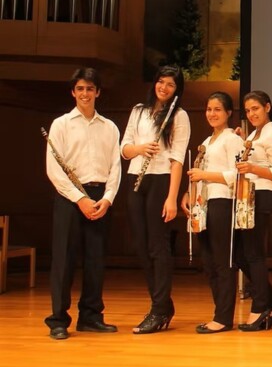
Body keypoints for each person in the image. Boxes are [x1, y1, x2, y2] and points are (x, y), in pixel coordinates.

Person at [44, 68, 121, 340]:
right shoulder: (61, 124)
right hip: (70, 197)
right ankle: (58, 320)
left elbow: (115, 167)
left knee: (95, 259)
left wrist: (107, 198)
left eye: (90, 89)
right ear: (73, 92)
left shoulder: (110, 127)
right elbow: (53, 169)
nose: (85, 94)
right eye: (80, 89)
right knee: (64, 259)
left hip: (100, 197)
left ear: (98, 92)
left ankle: (90, 317)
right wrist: (80, 199)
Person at [121, 65, 190, 334]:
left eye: (170, 84)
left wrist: (172, 197)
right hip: (136, 178)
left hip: (161, 179)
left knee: (157, 246)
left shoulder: (179, 116)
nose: (164, 87)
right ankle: (162, 305)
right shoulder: (138, 110)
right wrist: (140, 148)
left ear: (177, 90)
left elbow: (177, 159)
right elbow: (124, 148)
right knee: (140, 245)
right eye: (161, 82)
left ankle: (159, 309)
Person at [182, 92, 242, 333]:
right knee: (208, 262)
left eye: (217, 109)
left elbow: (237, 174)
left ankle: (224, 317)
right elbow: (197, 174)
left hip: (222, 201)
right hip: (203, 203)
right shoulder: (207, 141)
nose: (212, 114)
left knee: (222, 261)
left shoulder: (232, 139)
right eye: (209, 109)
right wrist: (188, 193)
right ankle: (219, 312)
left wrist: (204, 176)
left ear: (228, 113)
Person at [232, 91, 272, 331]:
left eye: (255, 108)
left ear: (267, 107)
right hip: (247, 195)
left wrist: (253, 167)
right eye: (247, 111)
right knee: (240, 254)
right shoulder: (256, 134)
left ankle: (260, 307)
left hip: (261, 195)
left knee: (253, 254)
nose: (251, 114)